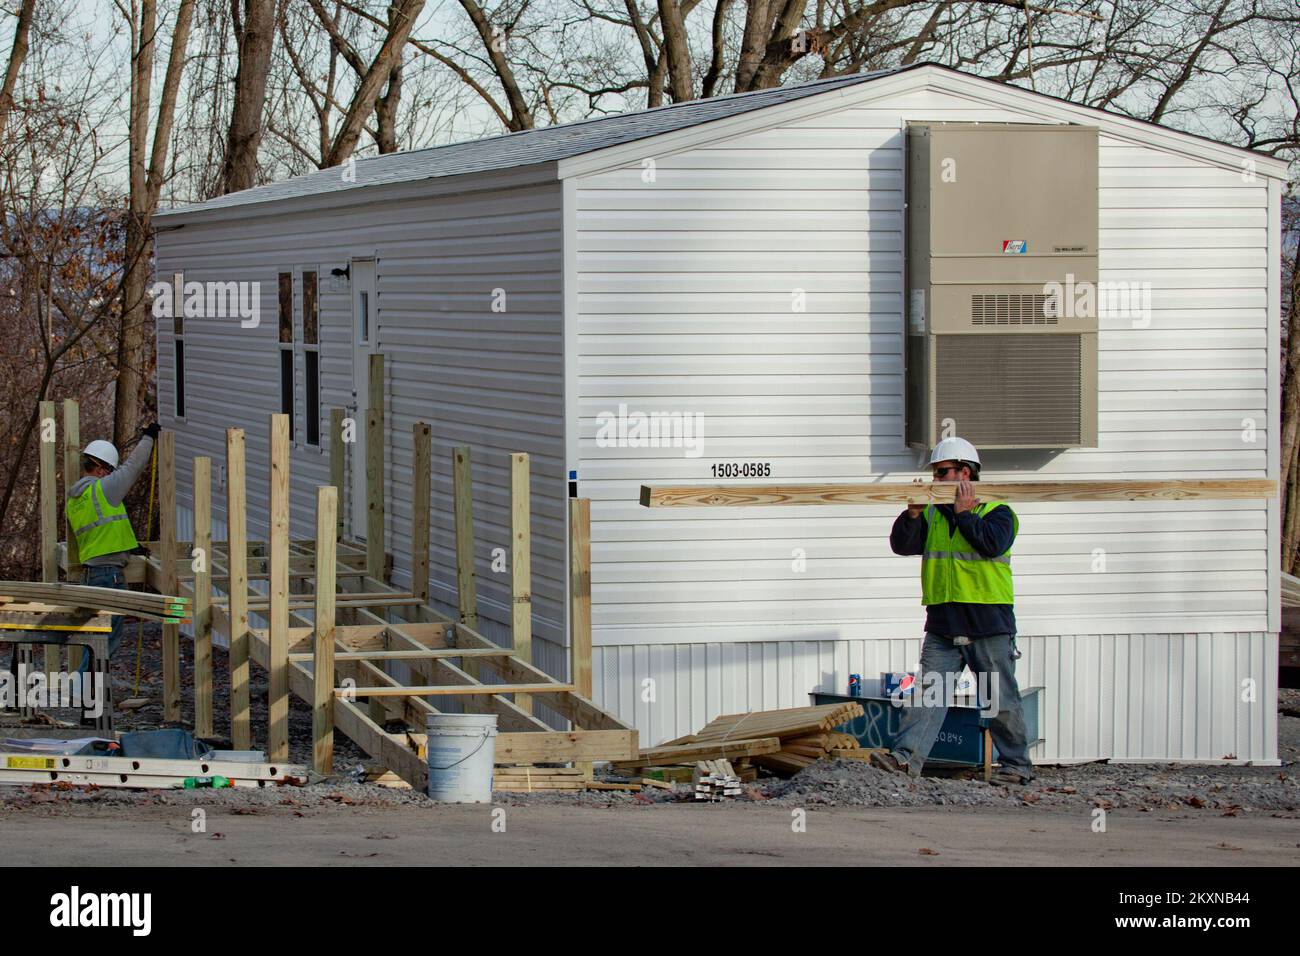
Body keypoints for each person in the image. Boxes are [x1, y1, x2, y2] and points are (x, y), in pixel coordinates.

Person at [870, 436, 1034, 785]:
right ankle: (905, 760)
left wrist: (964, 515)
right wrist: (911, 514)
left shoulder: (998, 511)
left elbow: (992, 544)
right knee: (928, 695)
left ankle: (1016, 768)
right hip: (943, 621)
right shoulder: (930, 512)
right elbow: (903, 545)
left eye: (941, 472)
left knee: (997, 700)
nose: (934, 480)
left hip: (987, 622)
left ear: (964, 473)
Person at [65, 423, 160, 678]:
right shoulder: (103, 488)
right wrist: (148, 438)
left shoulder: (75, 499)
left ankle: (86, 694)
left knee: (97, 634)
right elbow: (133, 467)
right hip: (109, 575)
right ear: (100, 468)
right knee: (108, 637)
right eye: (109, 470)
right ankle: (83, 686)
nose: (112, 474)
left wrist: (130, 548)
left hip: (93, 573)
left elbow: (102, 530)